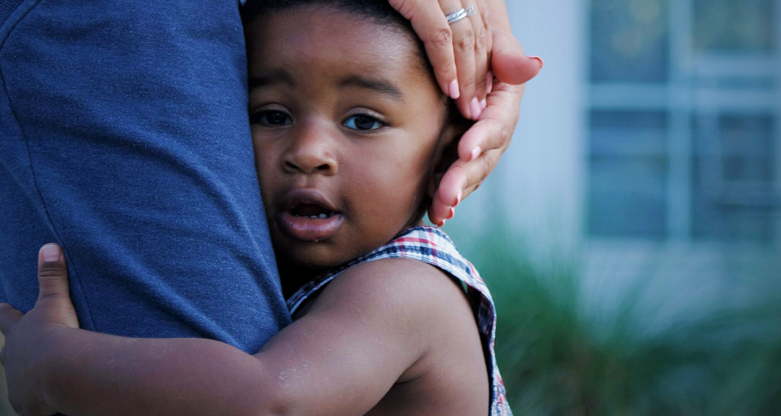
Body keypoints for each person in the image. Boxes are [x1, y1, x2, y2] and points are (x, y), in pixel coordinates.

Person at [0, 0, 529, 414]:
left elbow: (266, 401)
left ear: (443, 160)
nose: (309, 152)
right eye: (273, 115)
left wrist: (51, 365)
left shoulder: (410, 291)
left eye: (363, 121)